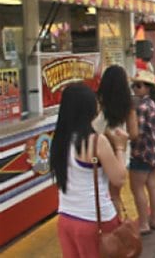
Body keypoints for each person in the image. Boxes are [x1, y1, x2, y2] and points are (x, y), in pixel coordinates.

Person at [50, 83, 127, 257]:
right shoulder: (96, 141)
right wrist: (120, 147)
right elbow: (119, 179)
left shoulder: (59, 140)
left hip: (66, 220)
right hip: (96, 221)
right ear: (88, 108)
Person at [94, 65, 139, 217]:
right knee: (114, 194)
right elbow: (134, 133)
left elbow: (92, 127)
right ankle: (116, 228)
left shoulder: (97, 103)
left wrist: (106, 133)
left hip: (98, 153)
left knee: (100, 193)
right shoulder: (128, 106)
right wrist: (119, 138)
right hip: (121, 154)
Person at [129, 70, 155, 235]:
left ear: (147, 88)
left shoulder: (142, 107)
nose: (135, 89)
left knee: (137, 188)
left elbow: (136, 134)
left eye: (138, 86)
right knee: (153, 185)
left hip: (142, 151)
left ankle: (144, 223)